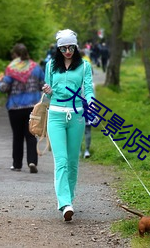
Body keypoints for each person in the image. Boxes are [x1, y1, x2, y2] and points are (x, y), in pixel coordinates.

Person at [42, 29, 94, 221]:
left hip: (77, 116)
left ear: (76, 46)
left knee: (73, 162)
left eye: (71, 47)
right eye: (63, 48)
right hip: (55, 115)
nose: (68, 51)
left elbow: (88, 89)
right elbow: (47, 96)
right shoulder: (50, 66)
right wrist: (47, 90)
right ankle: (64, 202)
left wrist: (92, 103)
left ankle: (69, 200)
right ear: (58, 48)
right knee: (61, 160)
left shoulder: (84, 66)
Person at [0, 43, 45, 173]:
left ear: (15, 55)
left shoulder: (11, 69)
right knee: (31, 135)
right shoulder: (36, 68)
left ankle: (17, 164)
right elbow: (43, 85)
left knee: (17, 136)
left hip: (15, 107)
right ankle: (32, 161)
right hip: (32, 107)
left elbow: (4, 88)